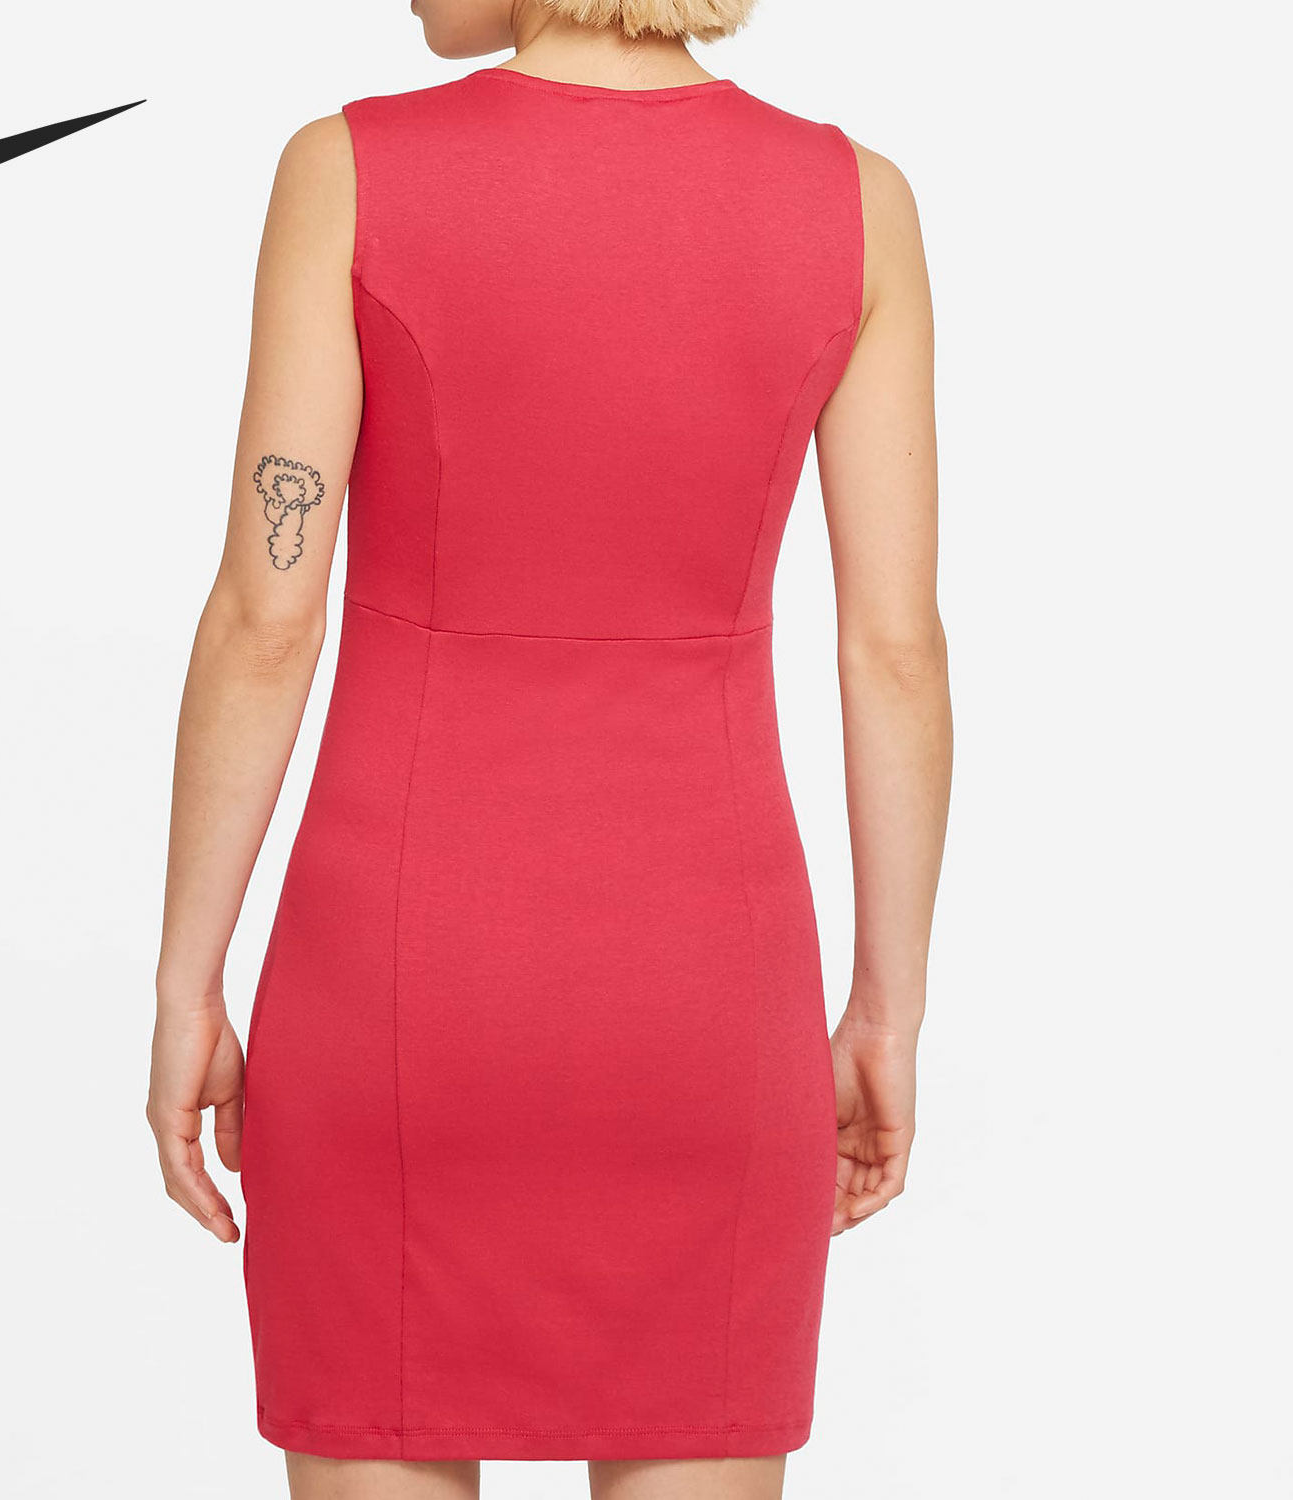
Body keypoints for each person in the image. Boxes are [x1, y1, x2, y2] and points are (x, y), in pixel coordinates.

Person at [147, 1, 951, 1495]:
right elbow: (893, 651)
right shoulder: (855, 204)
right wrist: (885, 1014)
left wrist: (187, 982)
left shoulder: (349, 171)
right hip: (707, 1003)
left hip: (398, 986)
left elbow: (268, 609)